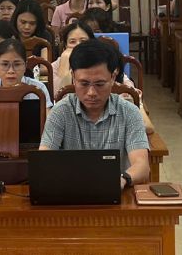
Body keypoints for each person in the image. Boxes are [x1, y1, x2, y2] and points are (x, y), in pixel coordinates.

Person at [39, 38, 150, 188]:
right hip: (70, 191)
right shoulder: (60, 112)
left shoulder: (129, 112)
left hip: (117, 190)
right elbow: (44, 161)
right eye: (84, 83)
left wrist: (122, 180)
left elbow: (142, 166)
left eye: (99, 84)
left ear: (113, 77)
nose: (91, 92)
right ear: (73, 77)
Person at [51, 21, 95, 96]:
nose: (78, 45)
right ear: (65, 46)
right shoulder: (56, 65)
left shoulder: (101, 63)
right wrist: (65, 63)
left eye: (83, 41)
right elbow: (57, 95)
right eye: (72, 42)